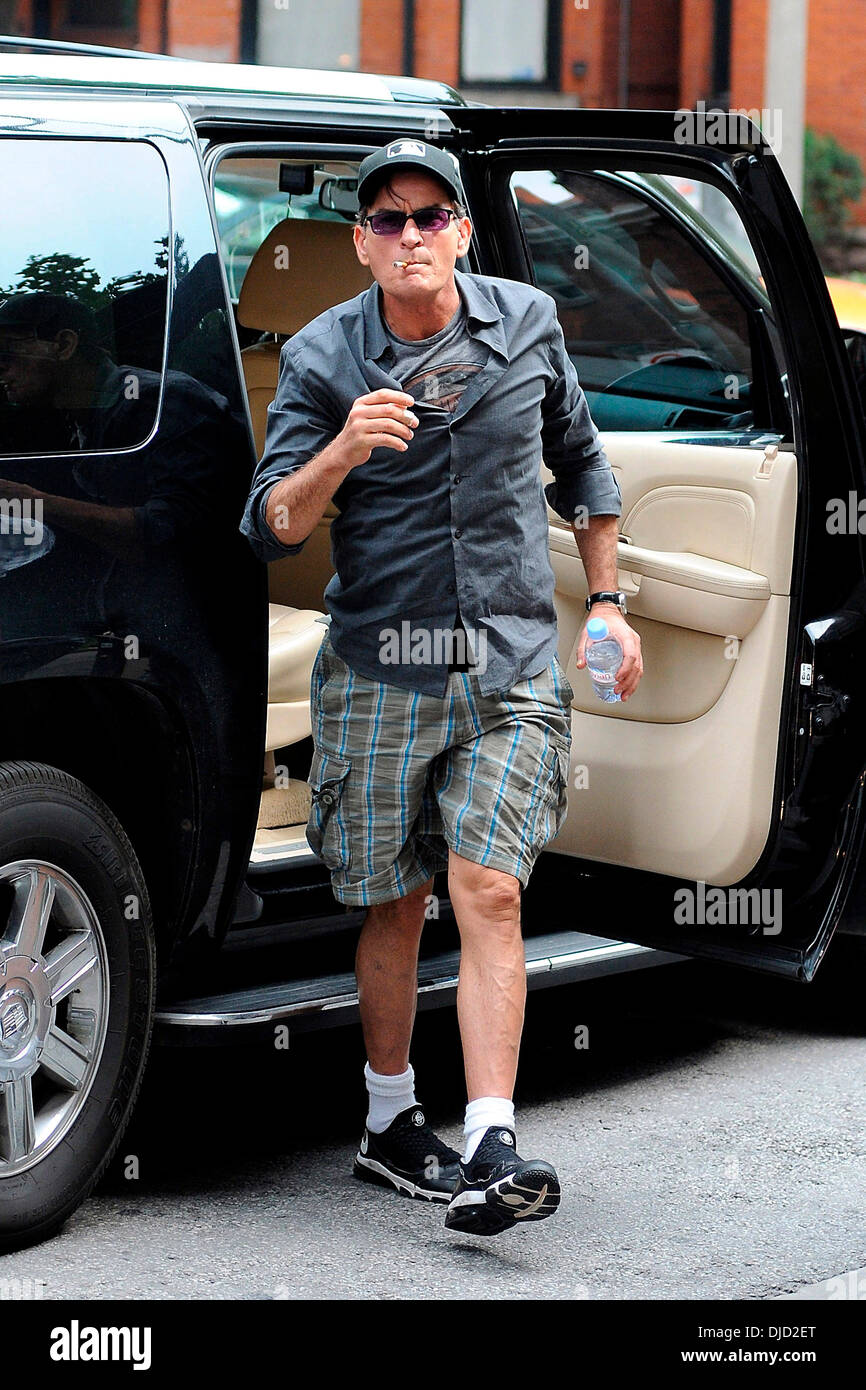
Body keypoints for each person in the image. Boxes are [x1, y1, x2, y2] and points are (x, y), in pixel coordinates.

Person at [241, 139, 643, 1236]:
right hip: (380, 668)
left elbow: (584, 463)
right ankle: (386, 1120)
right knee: (396, 900)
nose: (409, 236)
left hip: (509, 663)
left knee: (490, 888)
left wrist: (604, 602)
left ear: (461, 231)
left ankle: (491, 1140)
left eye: (429, 217)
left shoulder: (524, 324)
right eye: (386, 220)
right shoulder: (328, 356)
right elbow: (269, 518)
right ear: (361, 243)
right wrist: (340, 452)